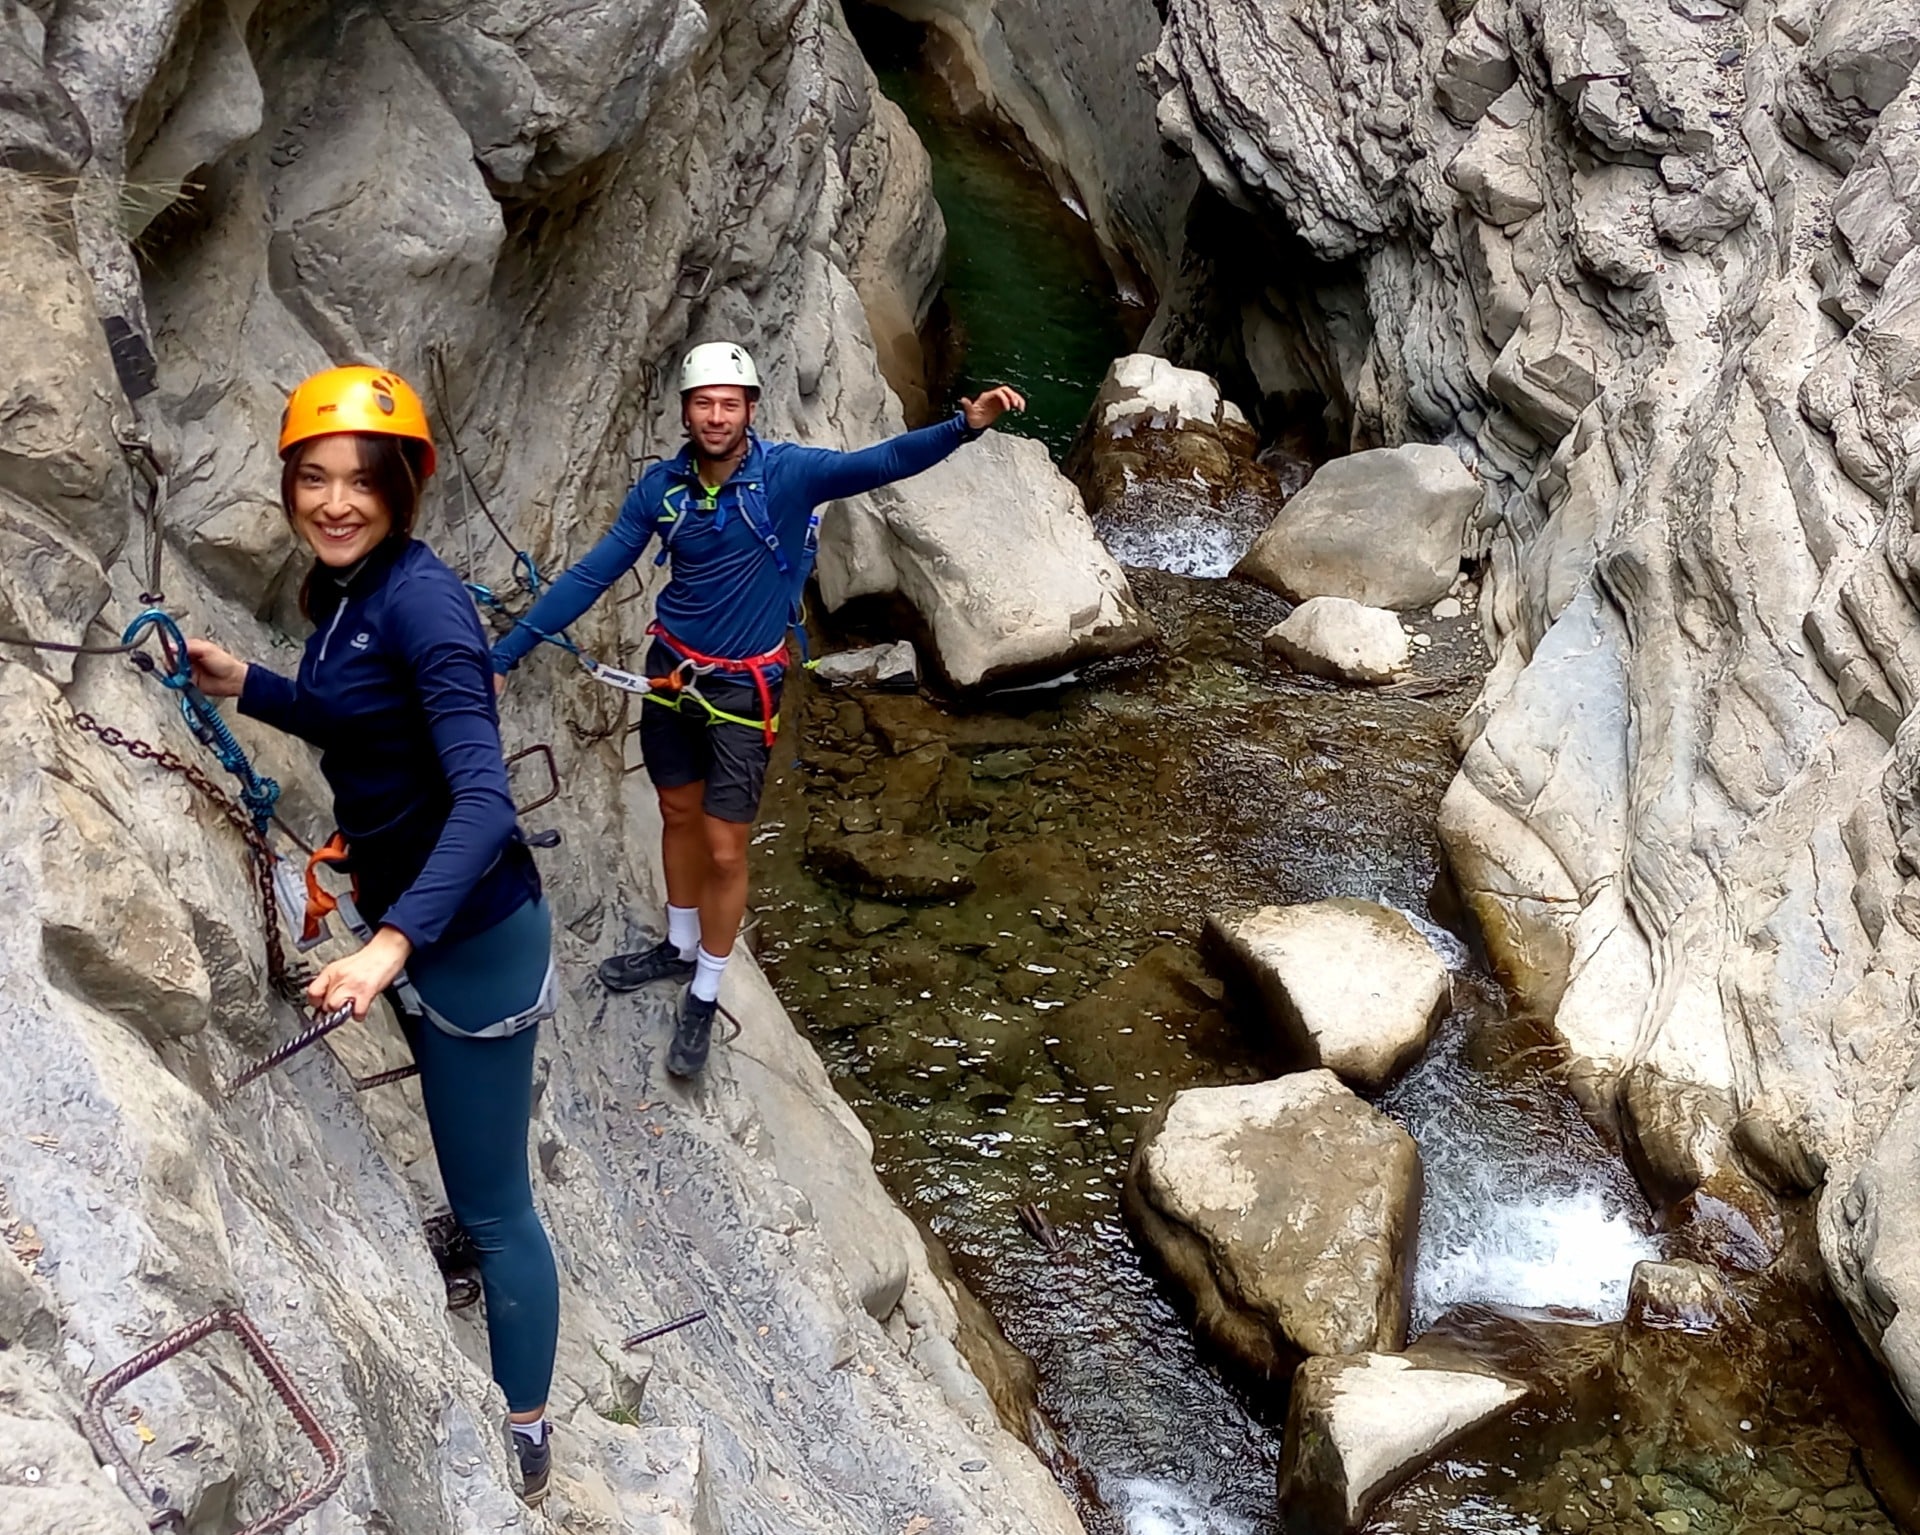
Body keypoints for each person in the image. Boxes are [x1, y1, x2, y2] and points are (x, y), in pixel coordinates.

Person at [185, 366, 561, 1507]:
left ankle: (529, 1426)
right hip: (422, 921)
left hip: (471, 935)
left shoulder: (423, 604)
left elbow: (486, 798)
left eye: (360, 481)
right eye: (313, 478)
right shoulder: (348, 590)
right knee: (475, 1168)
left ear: (404, 485)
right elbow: (356, 715)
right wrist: (248, 681)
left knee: (496, 1208)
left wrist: (389, 945)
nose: (334, 500)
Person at [491, 342, 1023, 1078]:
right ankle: (678, 948)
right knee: (677, 813)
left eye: (728, 403)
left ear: (749, 410)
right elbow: (592, 573)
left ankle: (706, 990)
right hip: (672, 674)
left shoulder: (789, 476)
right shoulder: (663, 491)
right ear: (685, 412)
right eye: (703, 403)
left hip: (744, 689)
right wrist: (505, 654)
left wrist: (962, 426)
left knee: (725, 846)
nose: (715, 416)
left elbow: (878, 463)